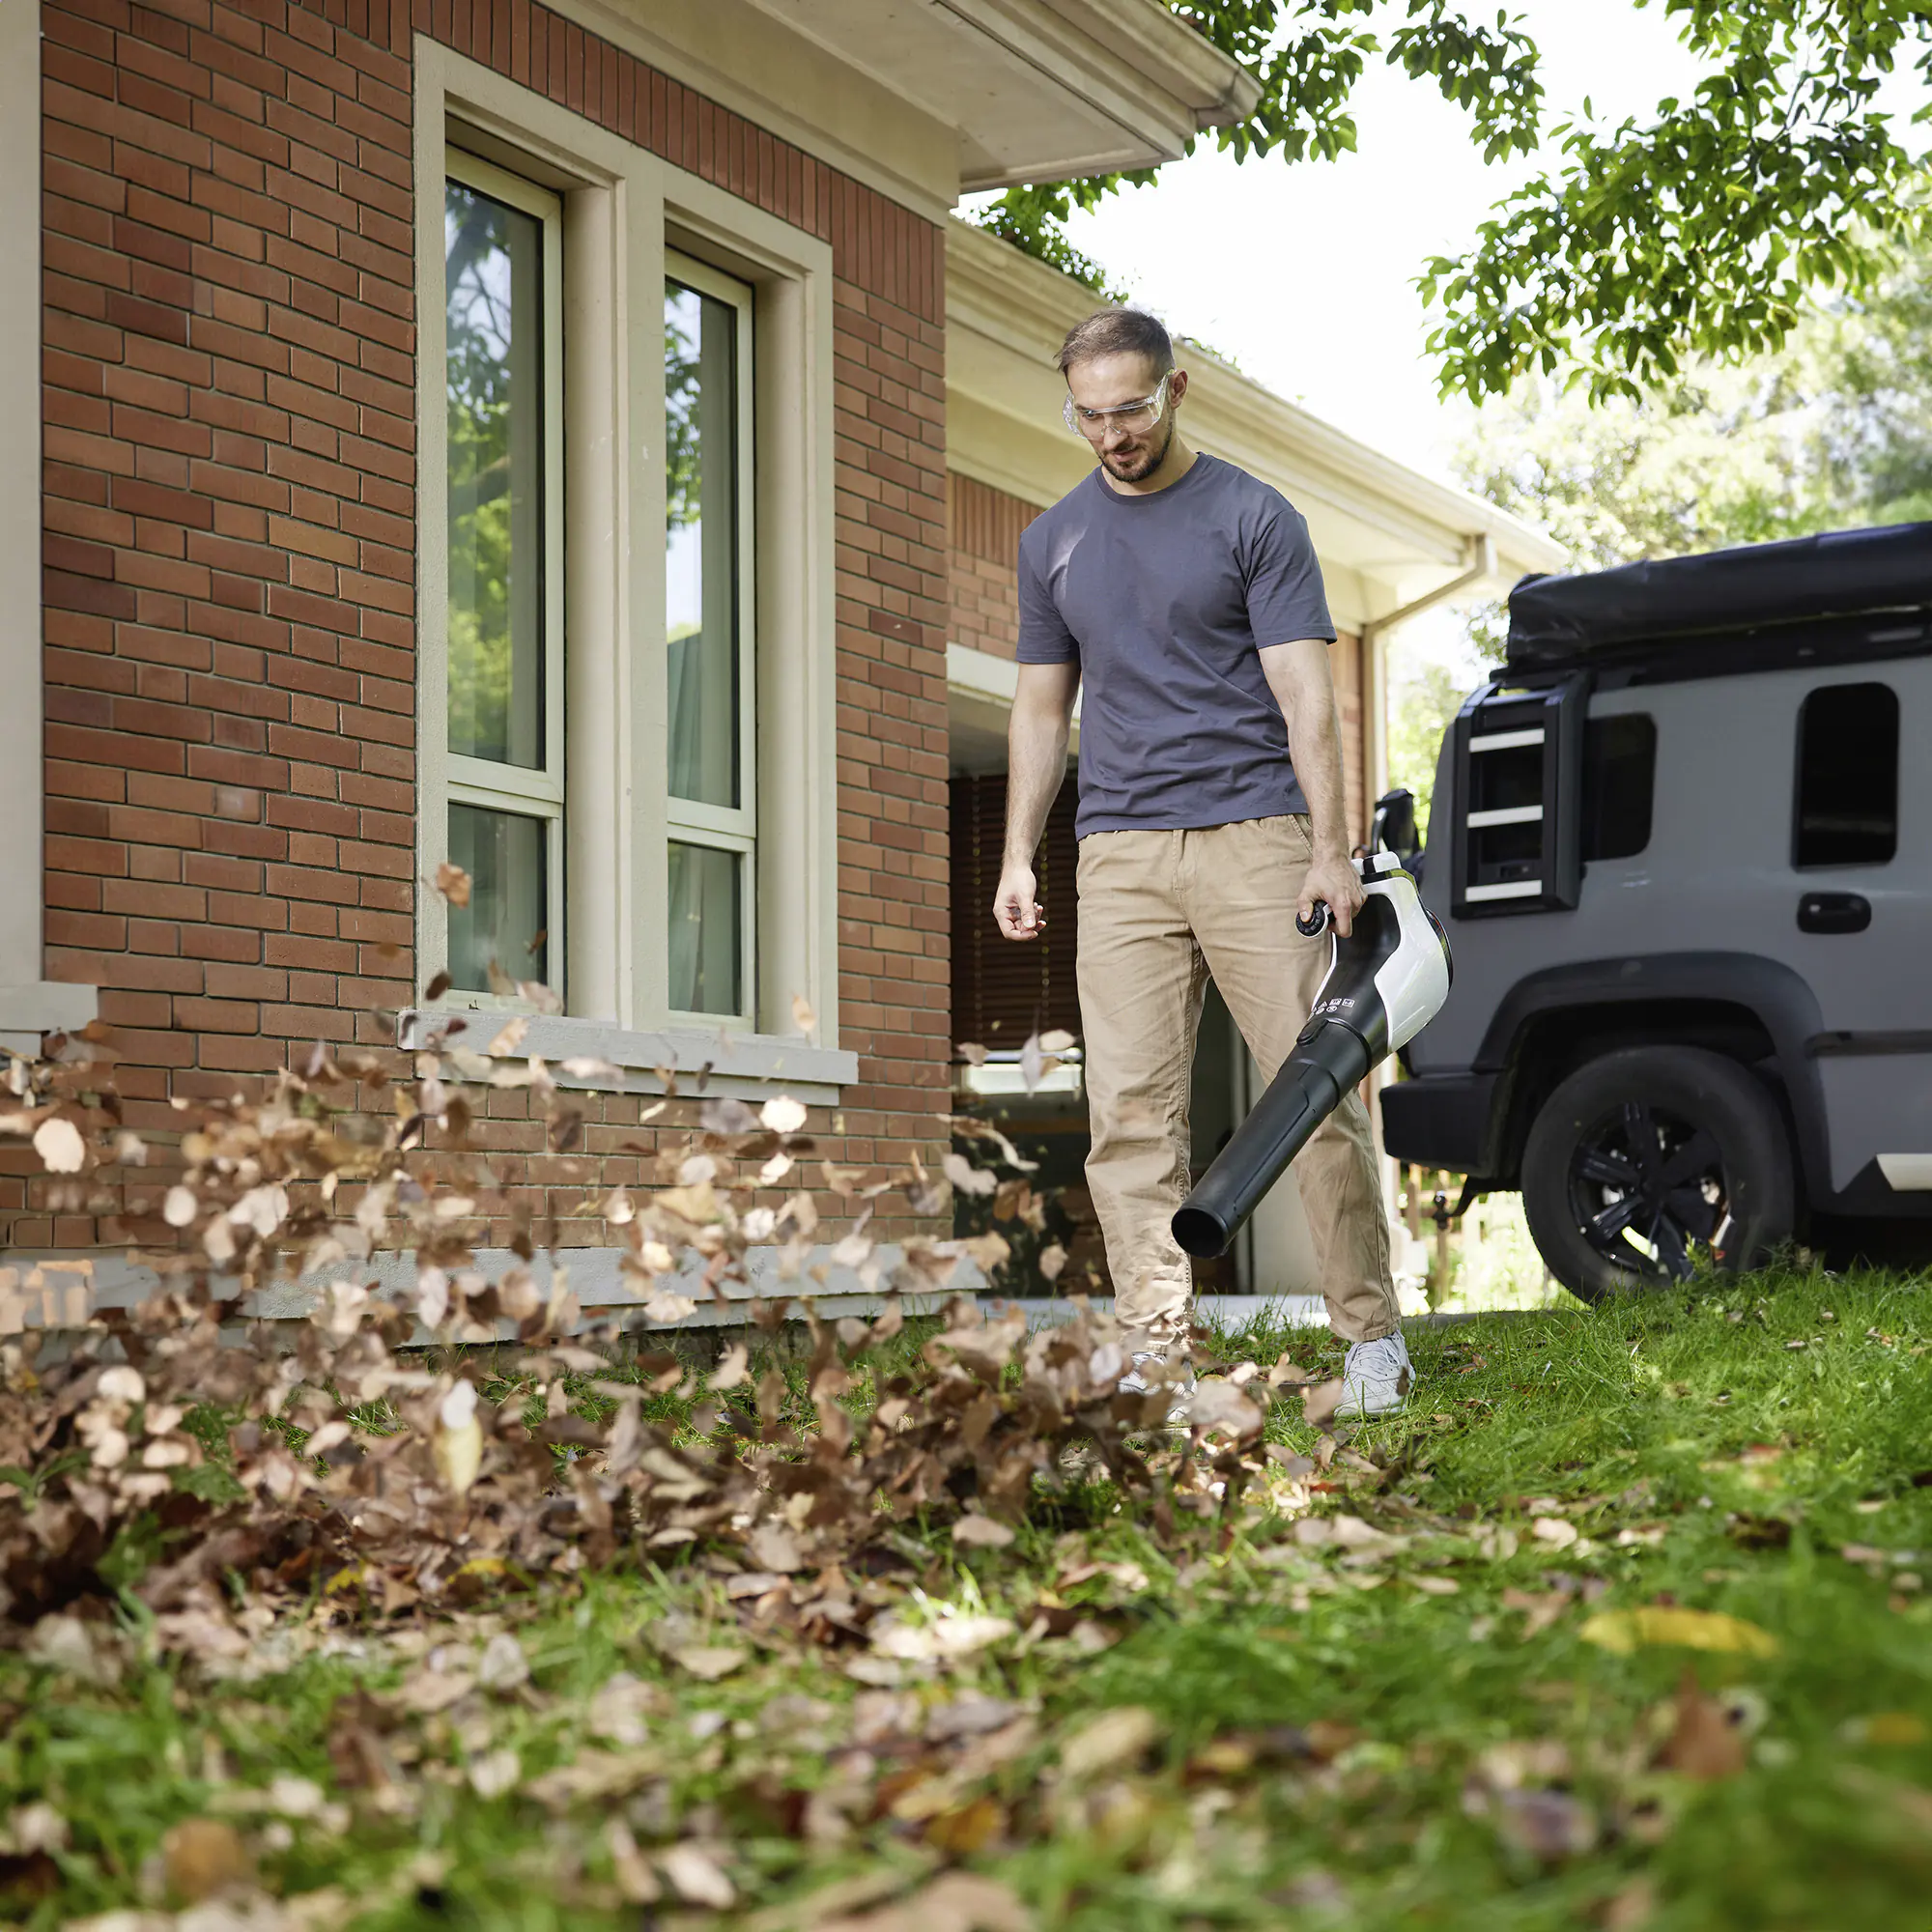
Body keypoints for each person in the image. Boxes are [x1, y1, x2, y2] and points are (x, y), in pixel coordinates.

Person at [994, 307, 1411, 1421]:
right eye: (1088, 415)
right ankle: (1154, 1353)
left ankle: (1369, 1336)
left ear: (1174, 390)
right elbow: (1038, 711)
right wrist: (1018, 853)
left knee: (1310, 1092)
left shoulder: (1250, 516)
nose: (1111, 433)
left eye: (1129, 408)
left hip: (1255, 835)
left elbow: (1304, 695)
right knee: (1127, 1113)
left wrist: (1327, 851)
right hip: (1118, 851)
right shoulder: (1052, 542)